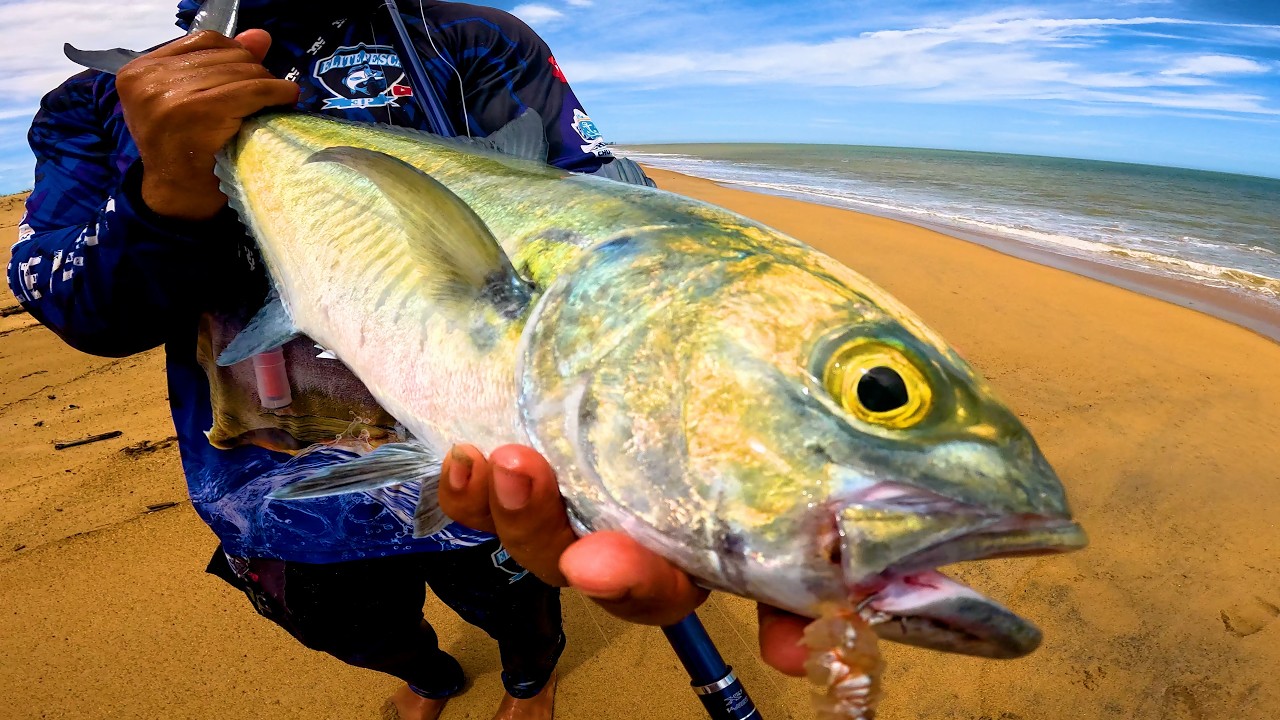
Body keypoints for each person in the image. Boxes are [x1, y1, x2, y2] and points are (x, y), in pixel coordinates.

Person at [8, 2, 636, 718]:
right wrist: (168, 193)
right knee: (357, 633)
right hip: (273, 498)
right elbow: (78, 311)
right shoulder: (98, 100)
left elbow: (595, 220)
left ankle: (530, 683)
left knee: (523, 613)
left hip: (483, 473)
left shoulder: (472, 40)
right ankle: (431, 678)